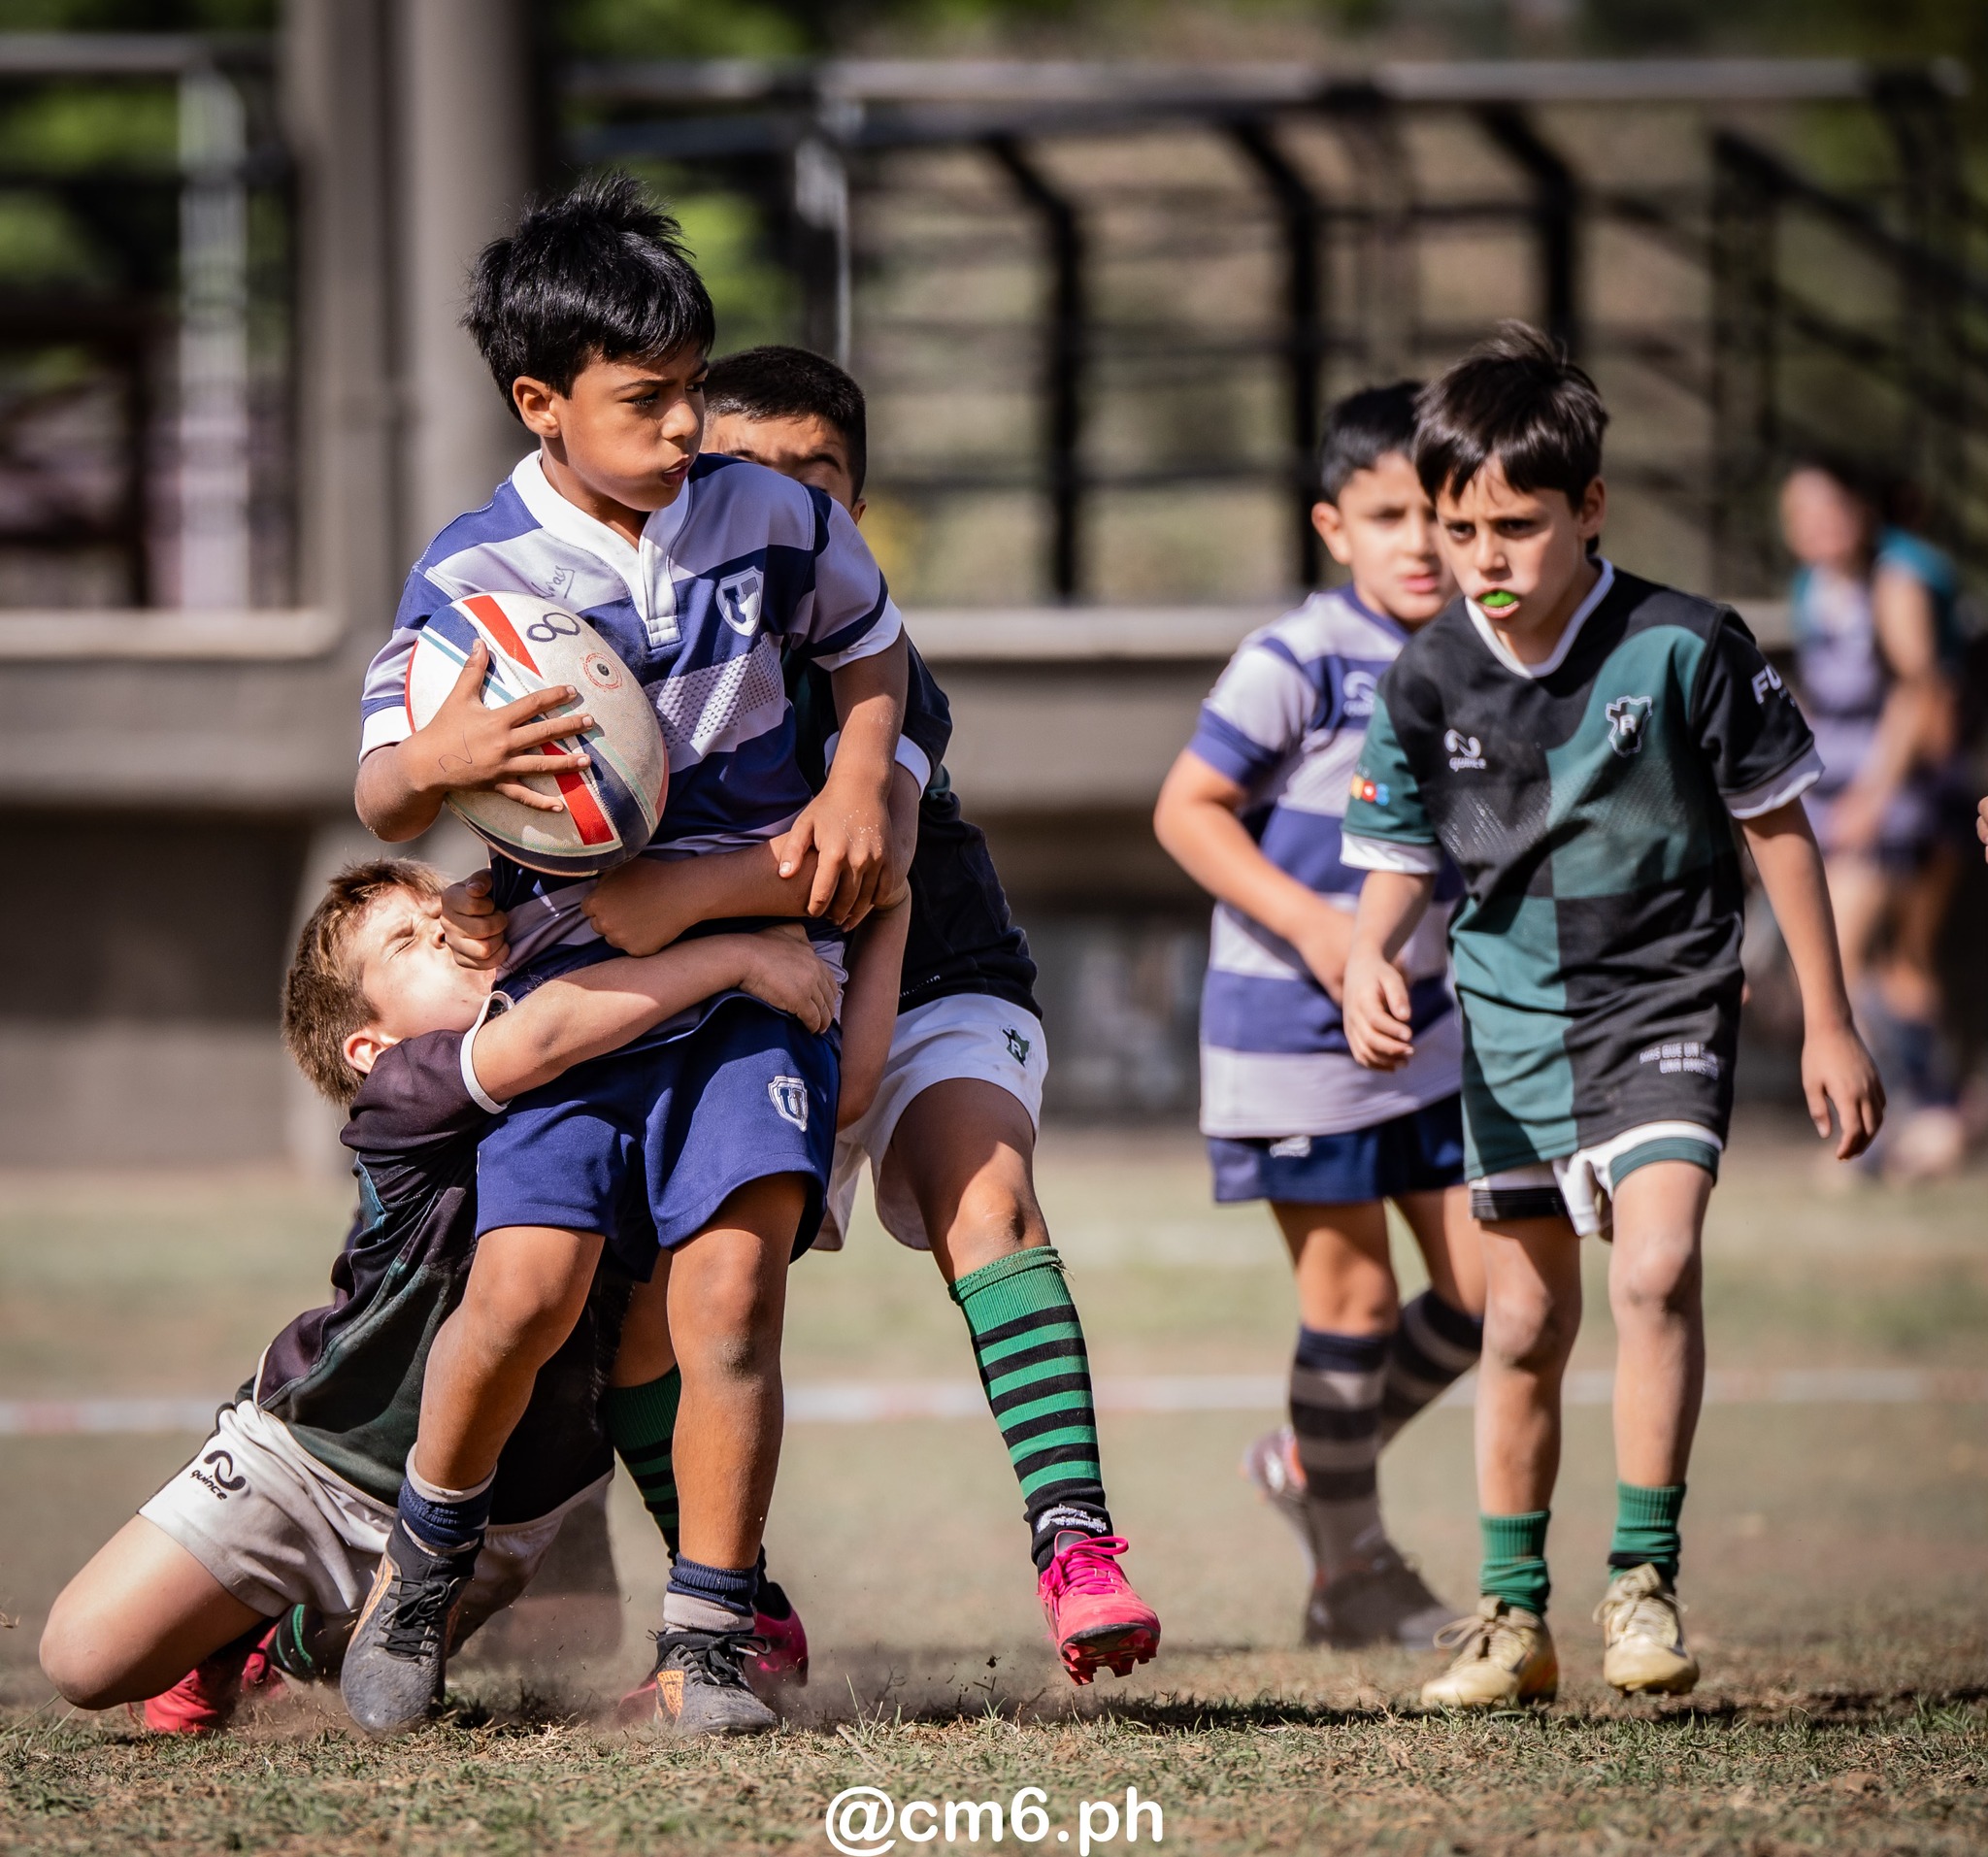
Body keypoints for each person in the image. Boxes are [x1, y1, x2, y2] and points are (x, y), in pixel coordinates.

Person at [443, 345, 1162, 1687]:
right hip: (744, 994)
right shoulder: (641, 637)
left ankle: (1076, 1544)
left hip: (922, 975)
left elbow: (868, 865)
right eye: (748, 469)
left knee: (986, 1201)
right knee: (666, 1318)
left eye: (814, 476)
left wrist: (699, 926)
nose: (780, 499)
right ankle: (738, 1598)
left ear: (853, 510)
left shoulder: (883, 664)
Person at [342, 176, 908, 1738]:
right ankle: (418, 1571)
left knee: (731, 1299)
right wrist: (441, 750)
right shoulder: (474, 573)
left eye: (692, 393)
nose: (682, 432)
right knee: (527, 1291)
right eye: (644, 404)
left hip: (762, 967)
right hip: (580, 974)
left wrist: (860, 773)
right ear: (542, 404)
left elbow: (874, 655)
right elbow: (385, 781)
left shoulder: (773, 515)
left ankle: (710, 1642)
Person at [1339, 323, 1883, 1708]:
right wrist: (1365, 959)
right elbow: (1403, 856)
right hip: (1512, 1024)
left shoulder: (1688, 646)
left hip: (1665, 1001)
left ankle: (1642, 1583)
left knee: (1653, 1270)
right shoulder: (1422, 679)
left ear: (1590, 508)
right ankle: (1512, 1618)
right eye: (1463, 531)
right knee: (1518, 1324)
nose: (1486, 561)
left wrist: (1828, 1021)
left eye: (1518, 527)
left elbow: (1780, 829)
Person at [36, 860, 840, 1731]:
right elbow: (543, 1034)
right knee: (82, 1656)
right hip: (323, 1457)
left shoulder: (616, 1063)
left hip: (487, 1516)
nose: (448, 937)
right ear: (368, 1047)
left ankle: (276, 1635)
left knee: (568, 1626)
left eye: (444, 916)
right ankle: (232, 1625)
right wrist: (739, 956)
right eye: (409, 941)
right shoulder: (407, 1088)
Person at [1152, 383, 1485, 1650]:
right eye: (1387, 515)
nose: (1419, 542)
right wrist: (1322, 935)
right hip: (1294, 1032)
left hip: (1437, 1023)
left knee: (1494, 1295)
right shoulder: (1298, 656)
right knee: (1349, 1306)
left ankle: (1308, 1460)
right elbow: (1187, 810)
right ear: (1333, 526)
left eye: (1441, 516)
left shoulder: (1487, 659)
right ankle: (1351, 1572)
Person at [1779, 458, 1968, 1177]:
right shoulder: (1812, 589)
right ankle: (1932, 1111)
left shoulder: (1896, 581)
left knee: (1837, 960)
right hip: (1838, 800)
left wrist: (1875, 799)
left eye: (1827, 509)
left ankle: (1887, 1124)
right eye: (1798, 513)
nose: (1813, 526)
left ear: (1861, 511)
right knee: (1893, 972)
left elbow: (1922, 696)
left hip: (1895, 808)